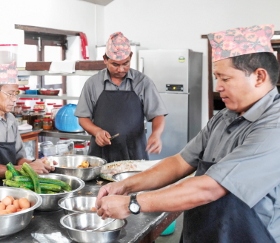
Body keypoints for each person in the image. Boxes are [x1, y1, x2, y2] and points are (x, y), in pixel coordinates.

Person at [95, 24, 280, 242]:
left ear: (259, 77)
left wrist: (133, 203)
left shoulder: (273, 126)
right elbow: (180, 162)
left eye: (225, 78)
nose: (218, 86)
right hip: (204, 231)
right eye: (216, 77)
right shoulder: (225, 116)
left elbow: (211, 188)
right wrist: (126, 185)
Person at [75, 32, 168, 162]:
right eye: (115, 64)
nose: (121, 69)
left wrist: (156, 134)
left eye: (126, 63)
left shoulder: (142, 82)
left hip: (135, 153)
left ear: (131, 56)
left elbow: (158, 114)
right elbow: (83, 117)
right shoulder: (93, 83)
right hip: (101, 154)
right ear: (105, 59)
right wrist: (97, 132)